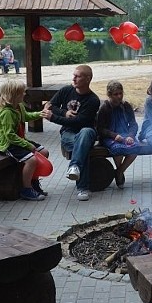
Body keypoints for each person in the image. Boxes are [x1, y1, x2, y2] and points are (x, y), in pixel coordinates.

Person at [41, 65, 100, 201]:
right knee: (82, 147)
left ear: (88, 79)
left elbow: (79, 121)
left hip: (87, 133)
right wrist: (64, 112)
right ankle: (82, 188)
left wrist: (54, 117)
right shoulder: (66, 90)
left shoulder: (93, 100)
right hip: (69, 134)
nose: (73, 78)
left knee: (84, 133)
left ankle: (74, 167)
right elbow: (50, 106)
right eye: (73, 75)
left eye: (77, 76)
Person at [0, 79, 50, 201]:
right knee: (31, 160)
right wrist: (27, 145)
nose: (25, 94)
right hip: (7, 144)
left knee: (44, 152)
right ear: (13, 95)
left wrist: (39, 114)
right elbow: (10, 136)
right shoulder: (6, 113)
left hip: (19, 140)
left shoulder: (19, 106)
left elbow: (26, 117)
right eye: (22, 93)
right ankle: (26, 189)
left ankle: (34, 182)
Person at [96, 80, 140, 189]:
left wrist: (130, 135)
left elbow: (133, 123)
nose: (119, 96)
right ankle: (120, 173)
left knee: (136, 148)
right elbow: (100, 129)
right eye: (116, 94)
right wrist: (114, 135)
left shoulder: (126, 106)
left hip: (125, 134)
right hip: (109, 137)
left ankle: (119, 171)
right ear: (109, 95)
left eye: (120, 93)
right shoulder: (105, 108)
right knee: (118, 149)